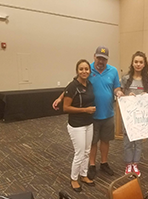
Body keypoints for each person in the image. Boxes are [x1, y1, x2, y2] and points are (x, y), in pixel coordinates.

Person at [52, 46, 123, 180]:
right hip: (92, 115)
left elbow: (116, 87)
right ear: (94, 56)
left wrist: (118, 92)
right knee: (93, 142)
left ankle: (104, 163)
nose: (101, 61)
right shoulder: (87, 69)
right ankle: (91, 165)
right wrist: (60, 98)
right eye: (99, 58)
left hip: (108, 113)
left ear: (107, 59)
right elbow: (72, 86)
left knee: (105, 140)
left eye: (104, 59)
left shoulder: (113, 71)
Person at [63, 59, 96, 192]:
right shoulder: (72, 86)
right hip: (76, 125)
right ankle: (74, 178)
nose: (84, 71)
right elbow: (65, 108)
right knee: (80, 153)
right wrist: (85, 110)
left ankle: (83, 175)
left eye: (86, 69)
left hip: (89, 123)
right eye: (81, 69)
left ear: (89, 71)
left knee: (87, 152)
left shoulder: (89, 84)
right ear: (77, 71)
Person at [120, 51, 148, 177]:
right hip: (128, 116)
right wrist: (127, 96)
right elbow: (120, 96)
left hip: (141, 116)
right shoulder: (126, 78)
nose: (138, 64)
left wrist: (146, 95)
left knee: (138, 142)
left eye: (141, 62)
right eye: (136, 62)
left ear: (144, 64)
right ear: (132, 63)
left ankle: (135, 164)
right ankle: (128, 164)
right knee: (128, 141)